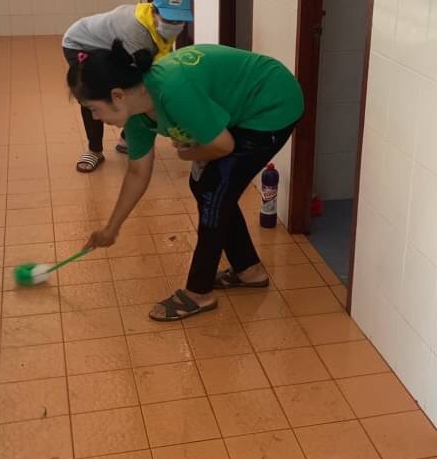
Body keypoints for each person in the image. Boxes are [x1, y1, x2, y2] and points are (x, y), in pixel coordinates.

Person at [71, 41, 304, 321]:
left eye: (94, 109)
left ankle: (199, 293)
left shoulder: (173, 90)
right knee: (206, 186)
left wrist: (187, 153)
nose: (96, 118)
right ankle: (249, 270)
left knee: (213, 192)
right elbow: (137, 173)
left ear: (117, 95)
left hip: (272, 102)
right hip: (241, 107)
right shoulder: (136, 115)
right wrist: (111, 229)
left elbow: (223, 145)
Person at [62, 0, 193, 172]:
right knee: (96, 94)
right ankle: (94, 150)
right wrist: (178, 129)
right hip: (81, 44)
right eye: (168, 20)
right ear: (153, 11)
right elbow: (144, 82)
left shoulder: (157, 27)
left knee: (134, 92)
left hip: (113, 45)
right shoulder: (136, 30)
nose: (174, 25)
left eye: (179, 21)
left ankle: (126, 138)